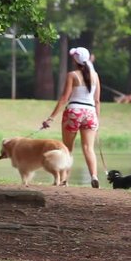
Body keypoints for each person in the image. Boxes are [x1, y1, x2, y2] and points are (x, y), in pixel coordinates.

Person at [42, 47, 101, 188]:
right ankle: (94, 176)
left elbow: (64, 99)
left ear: (75, 60)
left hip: (74, 111)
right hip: (90, 113)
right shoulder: (95, 75)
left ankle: (64, 180)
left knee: (67, 148)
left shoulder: (72, 75)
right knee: (89, 148)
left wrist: (50, 118)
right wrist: (97, 120)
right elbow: (97, 101)